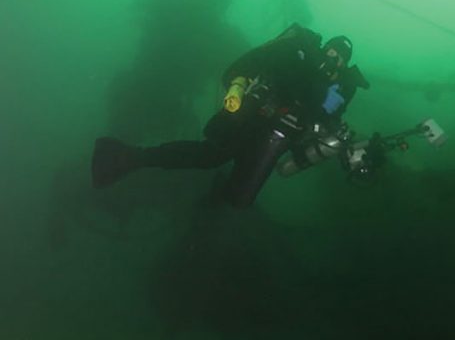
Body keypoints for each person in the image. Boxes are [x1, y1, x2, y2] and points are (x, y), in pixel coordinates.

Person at [91, 23, 370, 207]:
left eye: (340, 59)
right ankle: (127, 157)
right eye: (331, 52)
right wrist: (237, 87)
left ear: (344, 66)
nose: (332, 60)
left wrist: (326, 135)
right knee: (210, 155)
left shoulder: (338, 89)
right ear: (322, 48)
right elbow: (248, 64)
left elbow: (327, 120)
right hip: (251, 116)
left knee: (239, 198)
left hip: (276, 139)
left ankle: (207, 207)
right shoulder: (294, 54)